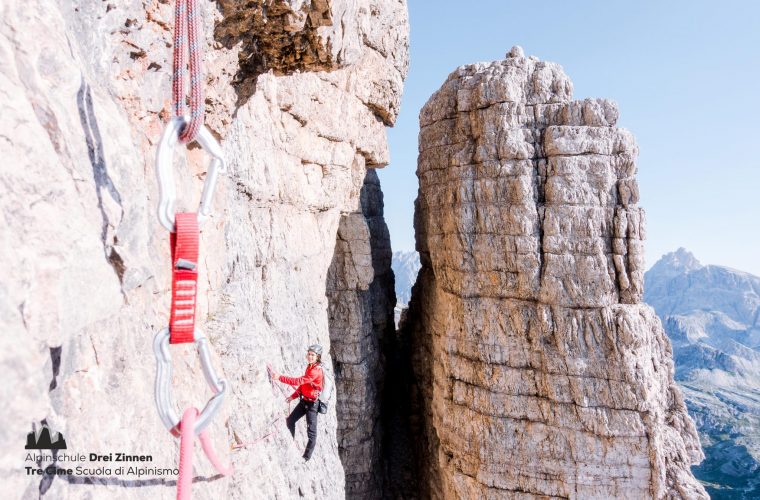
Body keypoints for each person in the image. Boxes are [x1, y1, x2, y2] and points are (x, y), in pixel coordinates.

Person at [268, 344, 324, 461]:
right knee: (290, 420)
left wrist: (280, 378)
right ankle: (291, 443)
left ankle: (306, 457)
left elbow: (298, 381)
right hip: (304, 401)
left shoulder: (315, 371)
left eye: (312, 355)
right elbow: (303, 386)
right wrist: (293, 397)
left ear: (318, 357)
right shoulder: (310, 367)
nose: (310, 356)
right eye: (309, 354)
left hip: (312, 405)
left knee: (312, 434)